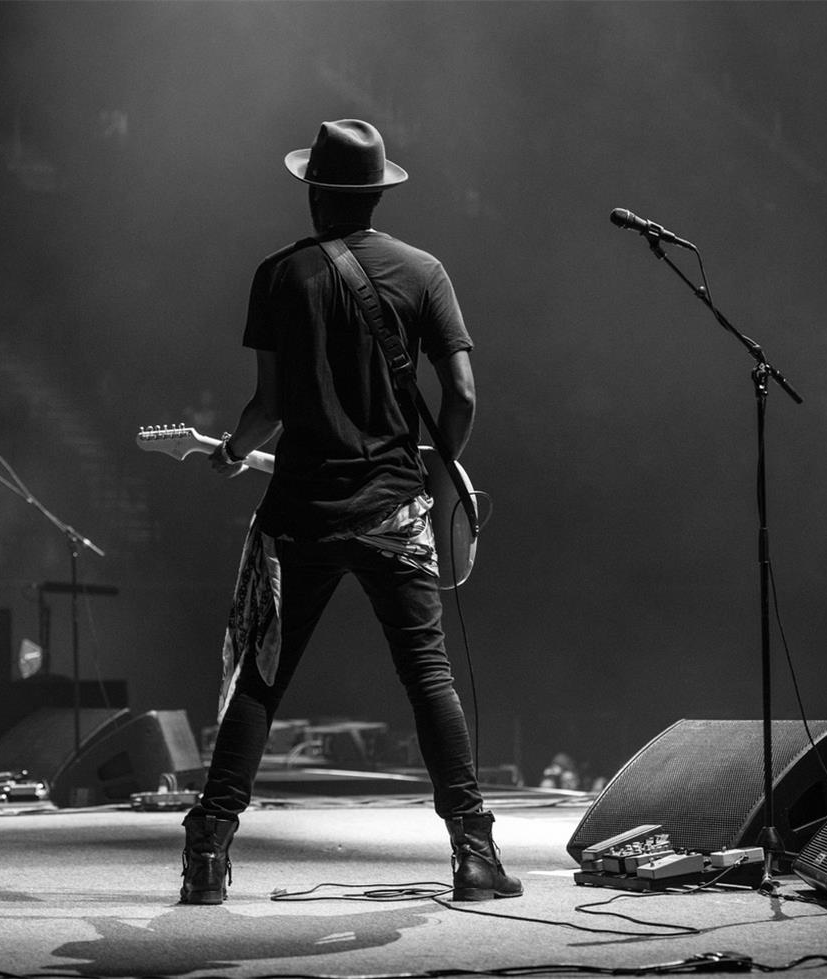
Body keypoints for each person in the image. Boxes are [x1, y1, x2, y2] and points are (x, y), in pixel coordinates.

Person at [178, 119, 521, 906]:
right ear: (375, 193)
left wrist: (231, 452)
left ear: (313, 192)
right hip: (394, 508)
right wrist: (433, 475)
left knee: (261, 678)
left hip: (299, 506)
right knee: (427, 675)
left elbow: (267, 406)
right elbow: (461, 394)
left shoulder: (278, 274)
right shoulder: (425, 271)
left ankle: (206, 853)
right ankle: (473, 854)